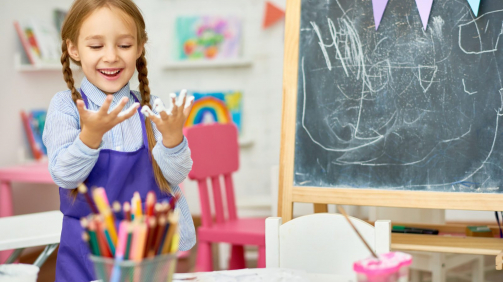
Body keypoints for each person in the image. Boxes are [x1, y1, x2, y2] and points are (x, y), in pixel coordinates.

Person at [42, 0, 196, 281]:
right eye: (96, 46)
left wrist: (173, 140)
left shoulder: (152, 107)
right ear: (73, 49)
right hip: (87, 255)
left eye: (124, 45)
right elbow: (64, 175)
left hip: (147, 251)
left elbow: (175, 176)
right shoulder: (66, 107)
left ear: (139, 47)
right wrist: (90, 136)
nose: (111, 56)